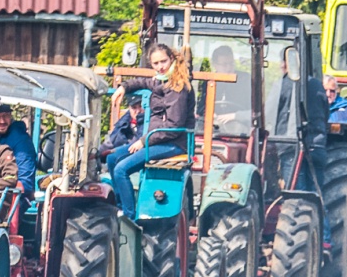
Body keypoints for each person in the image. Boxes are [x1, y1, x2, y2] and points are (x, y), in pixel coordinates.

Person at [108, 44, 195, 218]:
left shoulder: (178, 87)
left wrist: (143, 141)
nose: (160, 66)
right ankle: (120, 204)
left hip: (173, 143)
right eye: (156, 63)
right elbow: (141, 82)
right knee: (112, 158)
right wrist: (124, 87)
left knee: (121, 170)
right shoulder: (160, 81)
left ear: (171, 59)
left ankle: (128, 216)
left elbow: (172, 128)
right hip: (155, 140)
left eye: (163, 61)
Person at [266, 57, 333, 248]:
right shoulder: (317, 85)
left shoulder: (284, 84)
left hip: (292, 148)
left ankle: (301, 244)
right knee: (316, 193)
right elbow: (325, 112)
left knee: (297, 197)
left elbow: (269, 112)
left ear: (285, 64)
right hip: (317, 146)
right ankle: (324, 239)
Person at [205, 45, 251, 135]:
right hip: (212, 127)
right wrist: (210, 114)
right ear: (215, 65)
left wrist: (235, 116)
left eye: (231, 63)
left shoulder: (245, 80)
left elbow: (255, 112)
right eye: (224, 64)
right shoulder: (208, 81)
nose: (229, 67)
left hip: (239, 130)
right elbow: (201, 108)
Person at [0, 104, 37, 201]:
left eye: (5, 115)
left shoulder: (20, 140)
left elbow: (25, 181)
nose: (2, 121)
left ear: (10, 115)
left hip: (14, 197)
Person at [99, 93, 144, 158]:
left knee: (112, 158)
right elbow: (113, 139)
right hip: (125, 152)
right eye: (134, 108)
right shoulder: (124, 122)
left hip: (138, 154)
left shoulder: (149, 121)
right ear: (129, 108)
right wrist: (97, 154)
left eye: (140, 106)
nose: (138, 111)